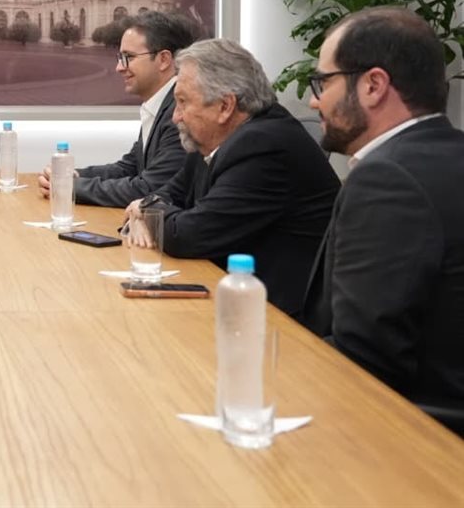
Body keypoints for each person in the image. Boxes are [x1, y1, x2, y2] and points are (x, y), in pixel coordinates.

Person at [301, 7, 463, 411]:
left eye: (323, 82)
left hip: (410, 443)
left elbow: (365, 361)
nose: (312, 100)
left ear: (374, 85)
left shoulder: (388, 179)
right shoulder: (448, 154)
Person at [122, 38, 340, 316]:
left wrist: (145, 209)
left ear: (225, 106)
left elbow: (189, 234)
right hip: (236, 297)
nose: (175, 117)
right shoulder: (211, 139)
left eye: (183, 102)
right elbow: (168, 194)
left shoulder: (265, 145)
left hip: (281, 322)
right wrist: (152, 208)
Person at [37, 11, 194, 206]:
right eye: (120, 57)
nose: (119, 67)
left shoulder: (181, 113)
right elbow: (128, 168)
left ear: (163, 59)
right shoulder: (160, 105)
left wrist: (69, 186)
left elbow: (149, 189)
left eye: (128, 57)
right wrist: (68, 175)